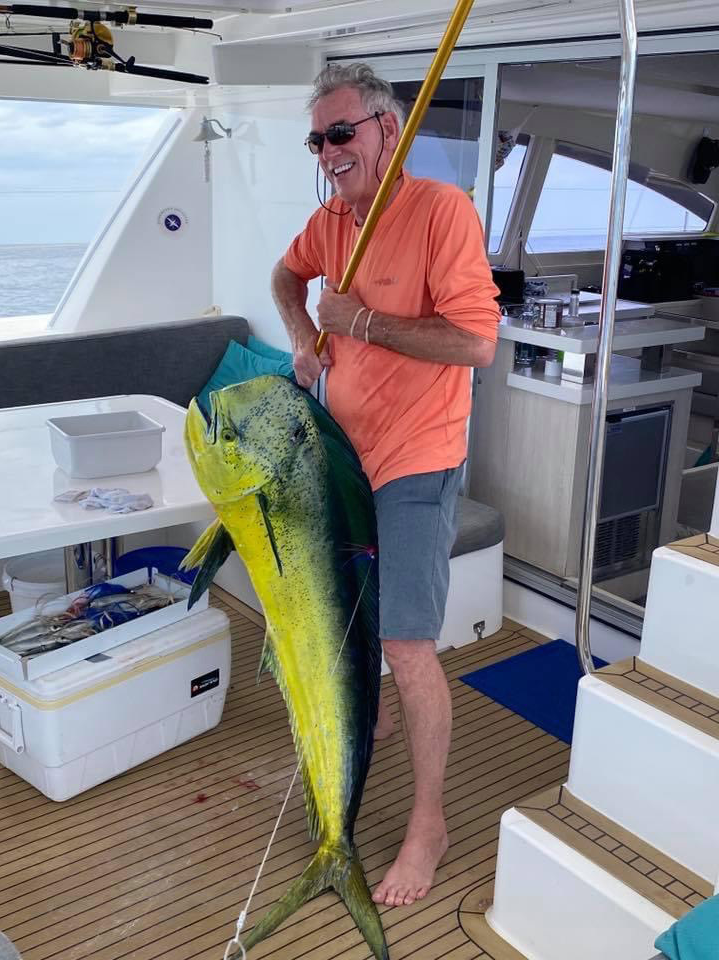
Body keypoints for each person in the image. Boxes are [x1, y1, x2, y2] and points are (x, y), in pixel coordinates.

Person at [271, 62, 501, 909]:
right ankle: (373, 724)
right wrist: (303, 339)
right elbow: (285, 278)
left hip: (418, 456)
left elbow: (476, 345)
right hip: (346, 451)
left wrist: (360, 321)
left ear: (387, 131)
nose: (328, 152)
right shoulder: (333, 219)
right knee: (355, 622)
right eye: (317, 139)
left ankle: (429, 824)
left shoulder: (442, 212)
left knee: (407, 644)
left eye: (341, 134)